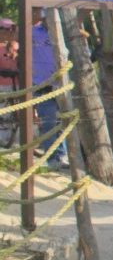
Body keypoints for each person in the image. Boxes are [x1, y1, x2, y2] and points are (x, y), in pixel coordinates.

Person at [32, 11, 68, 170]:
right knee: (48, 123)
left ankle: (60, 156)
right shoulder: (33, 32)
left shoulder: (63, 33)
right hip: (42, 84)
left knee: (63, 122)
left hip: (62, 84)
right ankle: (52, 159)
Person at [0, 19, 19, 148]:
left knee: (16, 112)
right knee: (3, 111)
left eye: (11, 30)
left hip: (16, 84)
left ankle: (14, 139)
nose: (9, 33)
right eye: (6, 30)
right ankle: (2, 138)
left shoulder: (17, 46)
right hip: (2, 83)